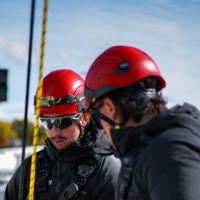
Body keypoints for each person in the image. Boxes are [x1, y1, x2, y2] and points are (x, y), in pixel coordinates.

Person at [84, 45, 200, 200]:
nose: (101, 129)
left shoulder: (168, 152)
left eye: (97, 119)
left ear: (109, 107)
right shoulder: (150, 148)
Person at [5, 69, 120, 200]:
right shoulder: (31, 168)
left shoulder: (106, 171)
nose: (55, 132)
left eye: (63, 122)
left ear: (85, 118)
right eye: (47, 122)